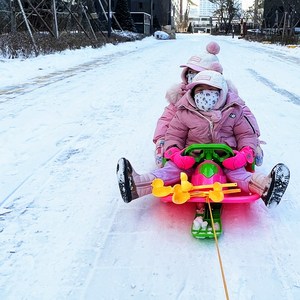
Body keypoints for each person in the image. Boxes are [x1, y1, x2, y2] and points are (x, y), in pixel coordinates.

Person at [117, 70, 290, 208]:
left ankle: (266, 187)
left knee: (239, 175)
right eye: (200, 91)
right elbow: (173, 135)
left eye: (211, 92)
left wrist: (244, 155)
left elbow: (246, 135)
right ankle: (136, 185)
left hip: (226, 157)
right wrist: (176, 155)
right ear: (192, 93)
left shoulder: (233, 111)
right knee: (170, 171)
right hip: (192, 157)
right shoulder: (184, 112)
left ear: (221, 94)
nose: (205, 96)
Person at [153, 41, 263, 169]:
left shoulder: (226, 96)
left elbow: (246, 118)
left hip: (223, 151)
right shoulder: (180, 95)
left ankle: (254, 148)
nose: (191, 76)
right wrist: (163, 140)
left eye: (197, 73)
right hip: (192, 150)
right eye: (189, 72)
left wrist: (252, 141)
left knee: (245, 134)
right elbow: (167, 119)